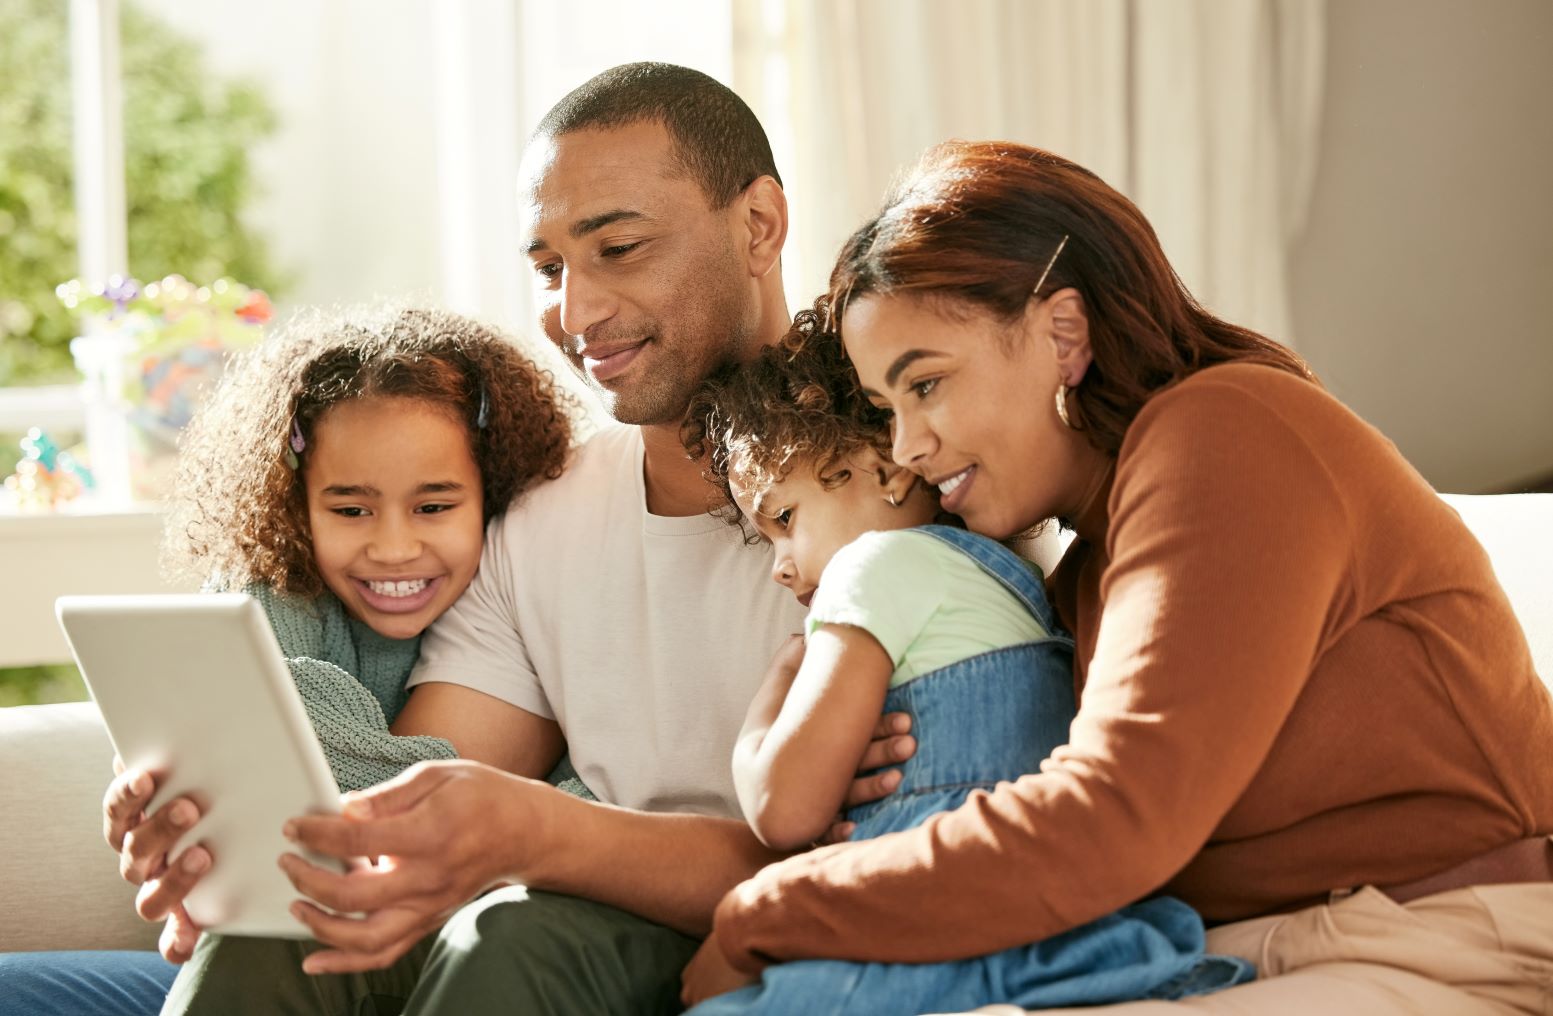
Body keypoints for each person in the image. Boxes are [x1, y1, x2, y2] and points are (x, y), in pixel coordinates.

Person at [98, 64, 924, 1015]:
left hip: (716, 939)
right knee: (279, 936)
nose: (574, 315)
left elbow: (875, 850)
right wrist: (211, 828)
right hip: (556, 901)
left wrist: (544, 835)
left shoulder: (884, 487)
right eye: (547, 269)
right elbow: (426, 794)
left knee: (518, 938)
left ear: (759, 226)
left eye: (618, 247)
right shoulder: (541, 516)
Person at [694, 140, 1553, 1013]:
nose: (907, 446)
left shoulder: (1223, 434)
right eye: (885, 409)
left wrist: (764, 916)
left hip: (1444, 947)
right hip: (1233, 953)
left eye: (926, 385)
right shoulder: (1081, 572)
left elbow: (1112, 818)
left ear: (1062, 335)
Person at [0, 305, 580, 1016]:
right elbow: (288, 785)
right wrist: (169, 808)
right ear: (294, 504)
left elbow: (439, 806)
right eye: (350, 510)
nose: (394, 549)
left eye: (433, 507)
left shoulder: (524, 588)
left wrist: (250, 735)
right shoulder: (268, 597)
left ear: (492, 491)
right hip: (280, 936)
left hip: (454, 949)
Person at [675, 309, 1253, 1013]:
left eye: (784, 520)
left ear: (886, 471)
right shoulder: (1019, 586)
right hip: (1041, 918)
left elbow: (783, 809)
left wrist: (762, 719)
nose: (780, 568)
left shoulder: (870, 568)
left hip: (922, 913)